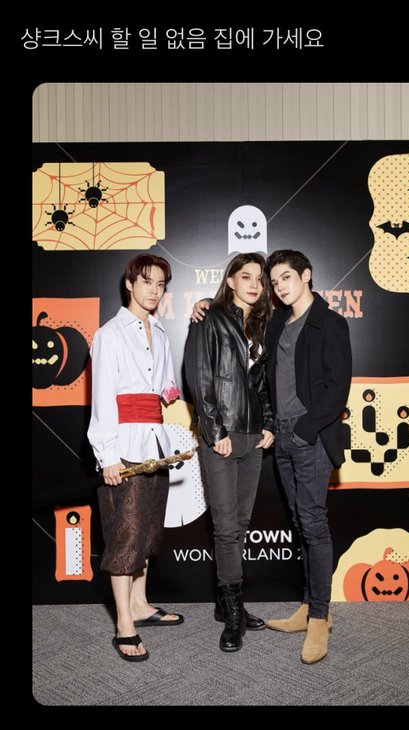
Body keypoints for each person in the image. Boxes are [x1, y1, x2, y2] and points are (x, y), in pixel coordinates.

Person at [192, 249, 352, 664]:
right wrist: (205, 304)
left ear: (306, 275)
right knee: (299, 522)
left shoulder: (330, 323)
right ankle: (307, 606)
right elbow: (234, 356)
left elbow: (338, 389)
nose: (277, 286)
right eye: (273, 280)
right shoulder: (276, 322)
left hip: (309, 437)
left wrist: (302, 429)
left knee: (313, 524)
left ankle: (320, 617)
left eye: (284, 278)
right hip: (278, 438)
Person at [87, 253, 184, 663]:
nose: (154, 291)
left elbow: (165, 387)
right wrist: (107, 455)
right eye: (147, 282)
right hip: (123, 447)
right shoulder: (109, 334)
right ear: (130, 284)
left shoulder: (160, 332)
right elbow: (102, 399)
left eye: (161, 285)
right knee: (124, 537)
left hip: (155, 445)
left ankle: (141, 605)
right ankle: (124, 623)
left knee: (147, 532)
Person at [184, 253, 275, 652]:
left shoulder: (261, 325)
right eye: (246, 276)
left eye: (260, 278)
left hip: (252, 438)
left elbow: (261, 383)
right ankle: (234, 612)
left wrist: (268, 424)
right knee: (224, 527)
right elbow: (199, 377)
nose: (254, 284)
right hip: (222, 437)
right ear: (231, 280)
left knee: (240, 521)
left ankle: (226, 604)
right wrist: (215, 430)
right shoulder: (210, 317)